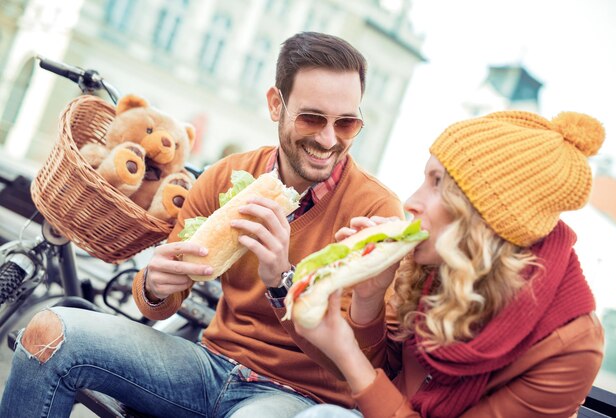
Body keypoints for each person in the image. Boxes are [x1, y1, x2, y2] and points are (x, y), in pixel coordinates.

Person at [0, 32, 403, 418]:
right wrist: (154, 284)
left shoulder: (375, 209)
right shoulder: (226, 175)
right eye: (312, 118)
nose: (329, 140)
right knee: (49, 333)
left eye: (347, 123)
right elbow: (157, 305)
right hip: (205, 366)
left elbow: (360, 366)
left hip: (296, 397)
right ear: (276, 106)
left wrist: (283, 282)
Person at [292, 110, 606, 418]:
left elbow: (362, 377)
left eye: (437, 183)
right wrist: (369, 296)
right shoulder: (436, 267)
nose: (410, 202)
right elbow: (381, 377)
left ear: (483, 215)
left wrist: (346, 352)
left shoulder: (570, 348)